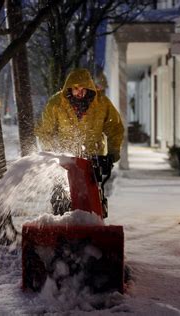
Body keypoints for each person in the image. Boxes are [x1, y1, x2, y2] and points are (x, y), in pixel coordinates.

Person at [36, 68, 124, 215]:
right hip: (65, 162)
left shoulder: (102, 104)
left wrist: (112, 153)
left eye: (83, 88)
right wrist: (52, 152)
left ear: (89, 87)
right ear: (69, 88)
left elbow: (115, 128)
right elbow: (45, 131)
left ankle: (93, 223)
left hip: (93, 160)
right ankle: (62, 224)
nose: (80, 92)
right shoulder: (56, 104)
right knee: (61, 199)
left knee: (92, 199)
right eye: (76, 88)